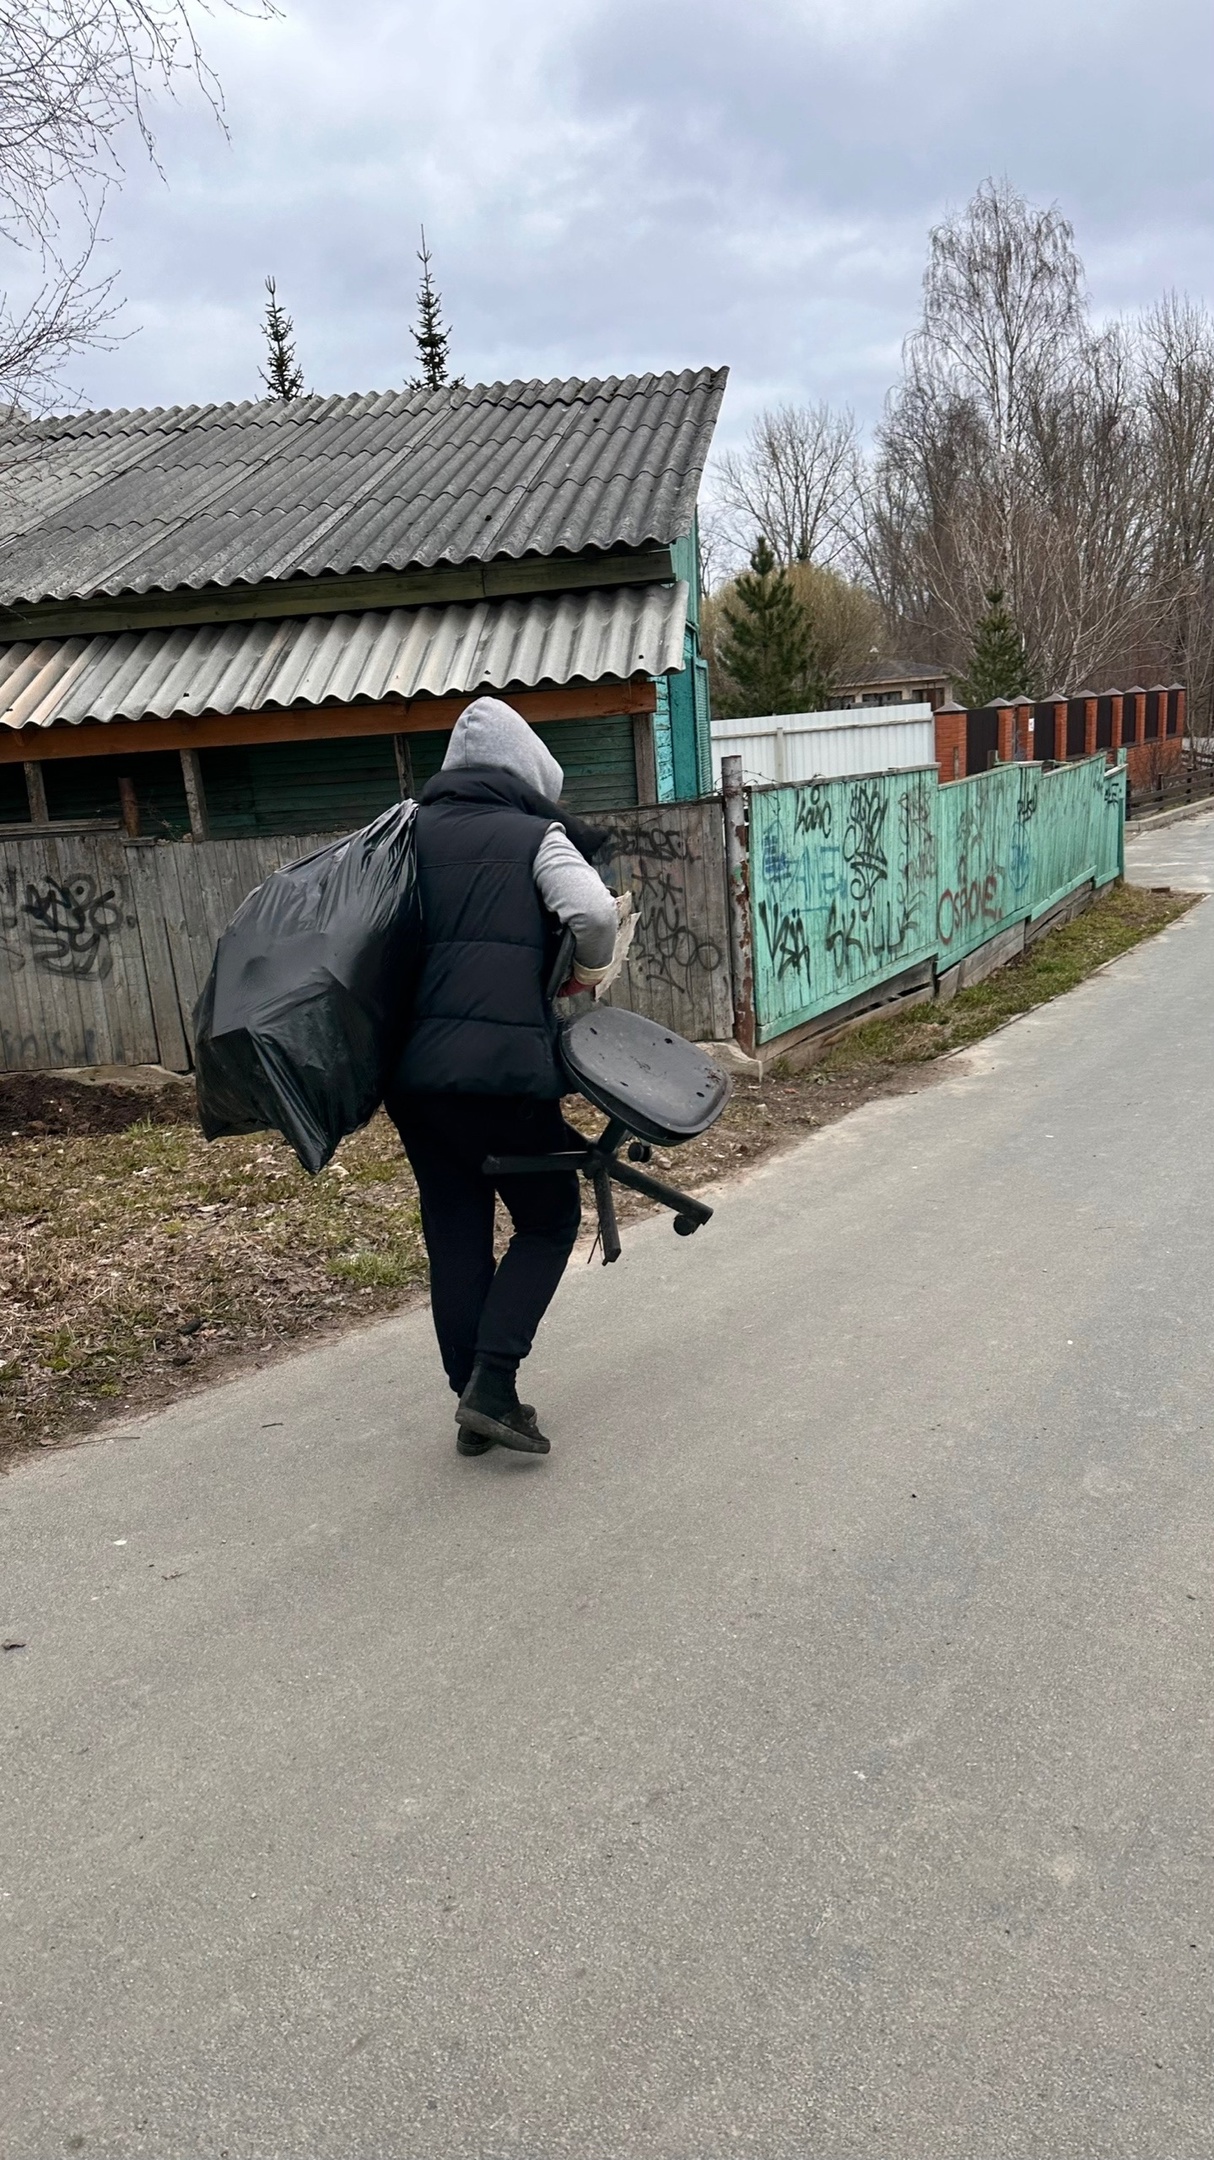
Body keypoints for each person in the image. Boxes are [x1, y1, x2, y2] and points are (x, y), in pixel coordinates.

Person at [387, 696, 618, 1458]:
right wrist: (581, 976)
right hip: (505, 1077)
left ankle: (473, 1402)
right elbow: (593, 912)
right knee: (548, 1219)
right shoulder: (535, 836)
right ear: (524, 773)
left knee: (455, 1230)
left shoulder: (400, 832)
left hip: (415, 1081)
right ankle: (492, 1382)